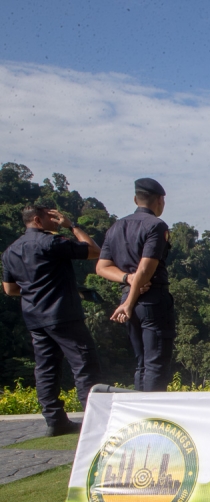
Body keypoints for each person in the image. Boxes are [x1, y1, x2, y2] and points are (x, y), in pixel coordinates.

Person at [2, 205, 101, 435]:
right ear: (37, 220)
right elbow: (93, 250)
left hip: (34, 317)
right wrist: (72, 225)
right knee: (84, 363)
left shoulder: (10, 251)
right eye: (51, 217)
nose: (56, 221)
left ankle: (55, 420)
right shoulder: (51, 243)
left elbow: (9, 289)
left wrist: (33, 291)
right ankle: (94, 418)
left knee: (46, 368)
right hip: (62, 314)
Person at [95, 178, 176, 391]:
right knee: (155, 363)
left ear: (135, 199)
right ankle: (153, 418)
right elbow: (145, 269)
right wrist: (131, 297)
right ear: (160, 200)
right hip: (151, 301)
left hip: (128, 300)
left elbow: (102, 267)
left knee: (141, 363)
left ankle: (139, 417)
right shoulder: (156, 226)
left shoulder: (115, 227)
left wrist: (126, 279)